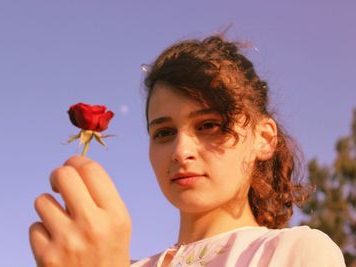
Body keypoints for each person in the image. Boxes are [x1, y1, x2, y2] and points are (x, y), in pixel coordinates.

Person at [29, 34, 346, 267]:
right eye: (164, 132)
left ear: (263, 138)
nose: (181, 151)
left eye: (209, 125)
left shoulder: (296, 252)